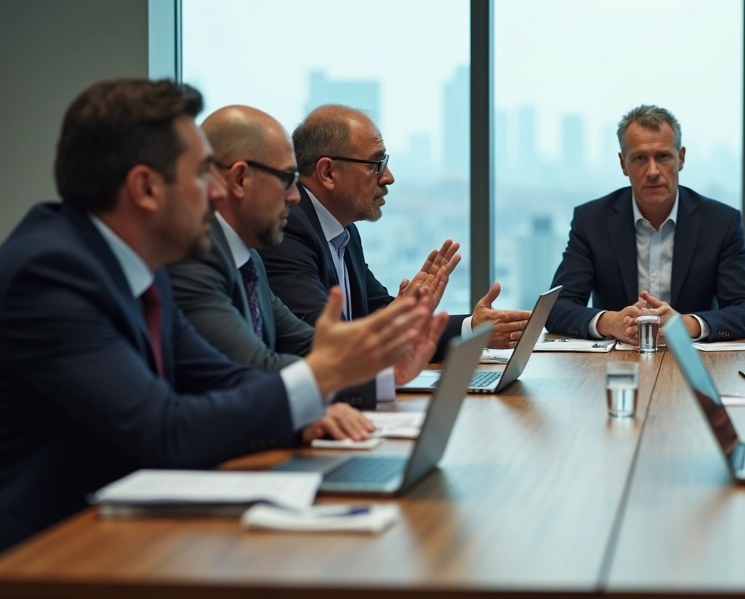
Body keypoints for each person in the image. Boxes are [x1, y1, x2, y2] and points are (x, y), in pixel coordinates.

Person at [0, 79, 442, 551]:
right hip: (46, 552)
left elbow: (224, 375)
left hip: (123, 533)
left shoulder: (133, 268)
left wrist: (330, 386)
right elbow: (163, 428)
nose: (215, 196)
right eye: (199, 176)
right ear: (145, 188)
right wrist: (315, 382)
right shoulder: (52, 272)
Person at [169, 105, 453, 410]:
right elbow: (256, 366)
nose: (294, 197)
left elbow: (308, 343)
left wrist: (385, 374)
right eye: (285, 179)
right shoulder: (196, 260)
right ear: (238, 180)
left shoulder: (249, 258)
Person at [259, 104, 529, 356]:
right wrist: (395, 318)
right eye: (376, 164)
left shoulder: (344, 232)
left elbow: (378, 310)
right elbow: (326, 341)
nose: (388, 177)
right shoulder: (288, 228)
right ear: (328, 173)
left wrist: (472, 328)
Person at [546, 104, 745, 343]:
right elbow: (555, 309)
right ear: (623, 164)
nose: (652, 171)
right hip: (615, 366)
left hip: (694, 364)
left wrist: (684, 325)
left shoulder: (720, 222)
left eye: (663, 157)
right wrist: (611, 322)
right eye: (640, 158)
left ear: (680, 158)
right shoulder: (592, 221)